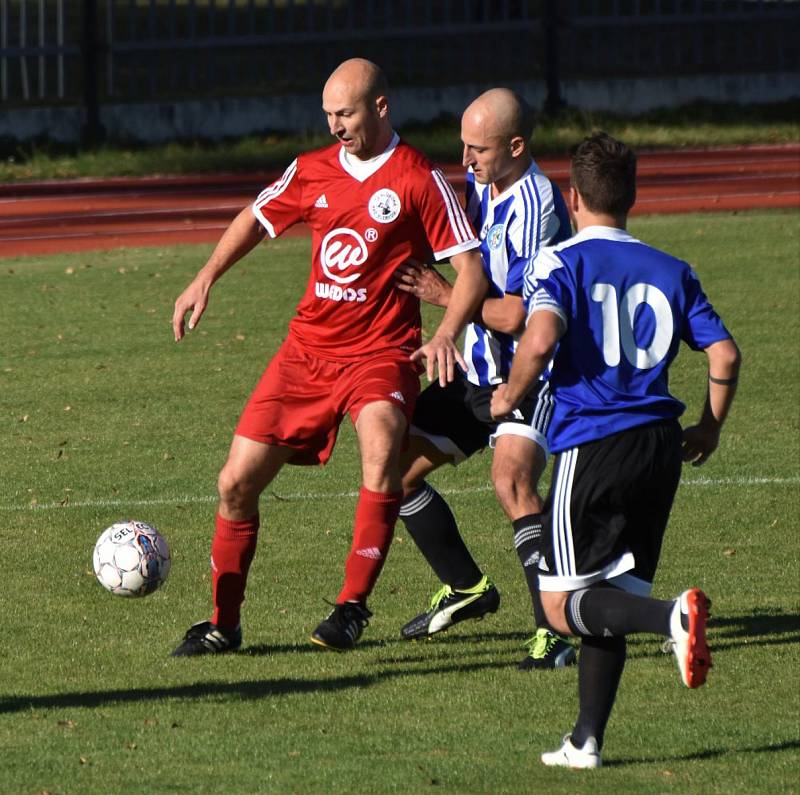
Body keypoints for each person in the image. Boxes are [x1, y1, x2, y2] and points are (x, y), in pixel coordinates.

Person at [170, 58, 487, 656]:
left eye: (345, 113)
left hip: (381, 352)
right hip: (306, 352)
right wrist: (205, 277)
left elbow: (469, 269)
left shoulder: (419, 177)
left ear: (380, 107)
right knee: (235, 483)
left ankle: (351, 607)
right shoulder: (312, 170)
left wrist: (445, 331)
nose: (335, 126)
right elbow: (256, 219)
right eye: (328, 115)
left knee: (381, 452)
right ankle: (223, 624)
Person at [490, 131, 740, 767]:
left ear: (572, 197)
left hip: (595, 444)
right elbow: (724, 352)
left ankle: (671, 620)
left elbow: (539, 339)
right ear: (631, 197)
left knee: (557, 606)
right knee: (610, 596)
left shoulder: (560, 262)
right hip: (660, 447)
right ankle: (586, 741)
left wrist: (509, 395)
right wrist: (709, 426)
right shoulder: (670, 267)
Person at [392, 88, 576, 669]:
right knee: (390, 471)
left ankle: (557, 632)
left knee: (512, 482)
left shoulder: (537, 206)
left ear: (516, 146)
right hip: (474, 367)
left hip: (528, 372)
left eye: (479, 149)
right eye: (463, 146)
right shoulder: (482, 184)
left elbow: (518, 313)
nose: (466, 160)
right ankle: (467, 586)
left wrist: (443, 296)